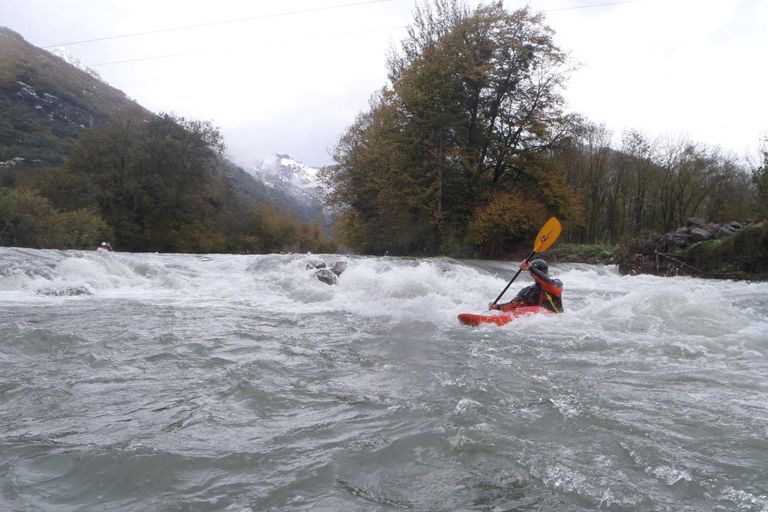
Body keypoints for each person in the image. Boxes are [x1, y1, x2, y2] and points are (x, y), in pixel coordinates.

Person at [488, 258, 563, 313]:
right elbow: (514, 305)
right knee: (519, 310)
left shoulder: (557, 283)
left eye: (538, 273)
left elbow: (550, 285)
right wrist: (497, 307)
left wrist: (531, 268)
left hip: (554, 318)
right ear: (531, 275)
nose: (535, 275)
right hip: (536, 321)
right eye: (533, 273)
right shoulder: (528, 291)